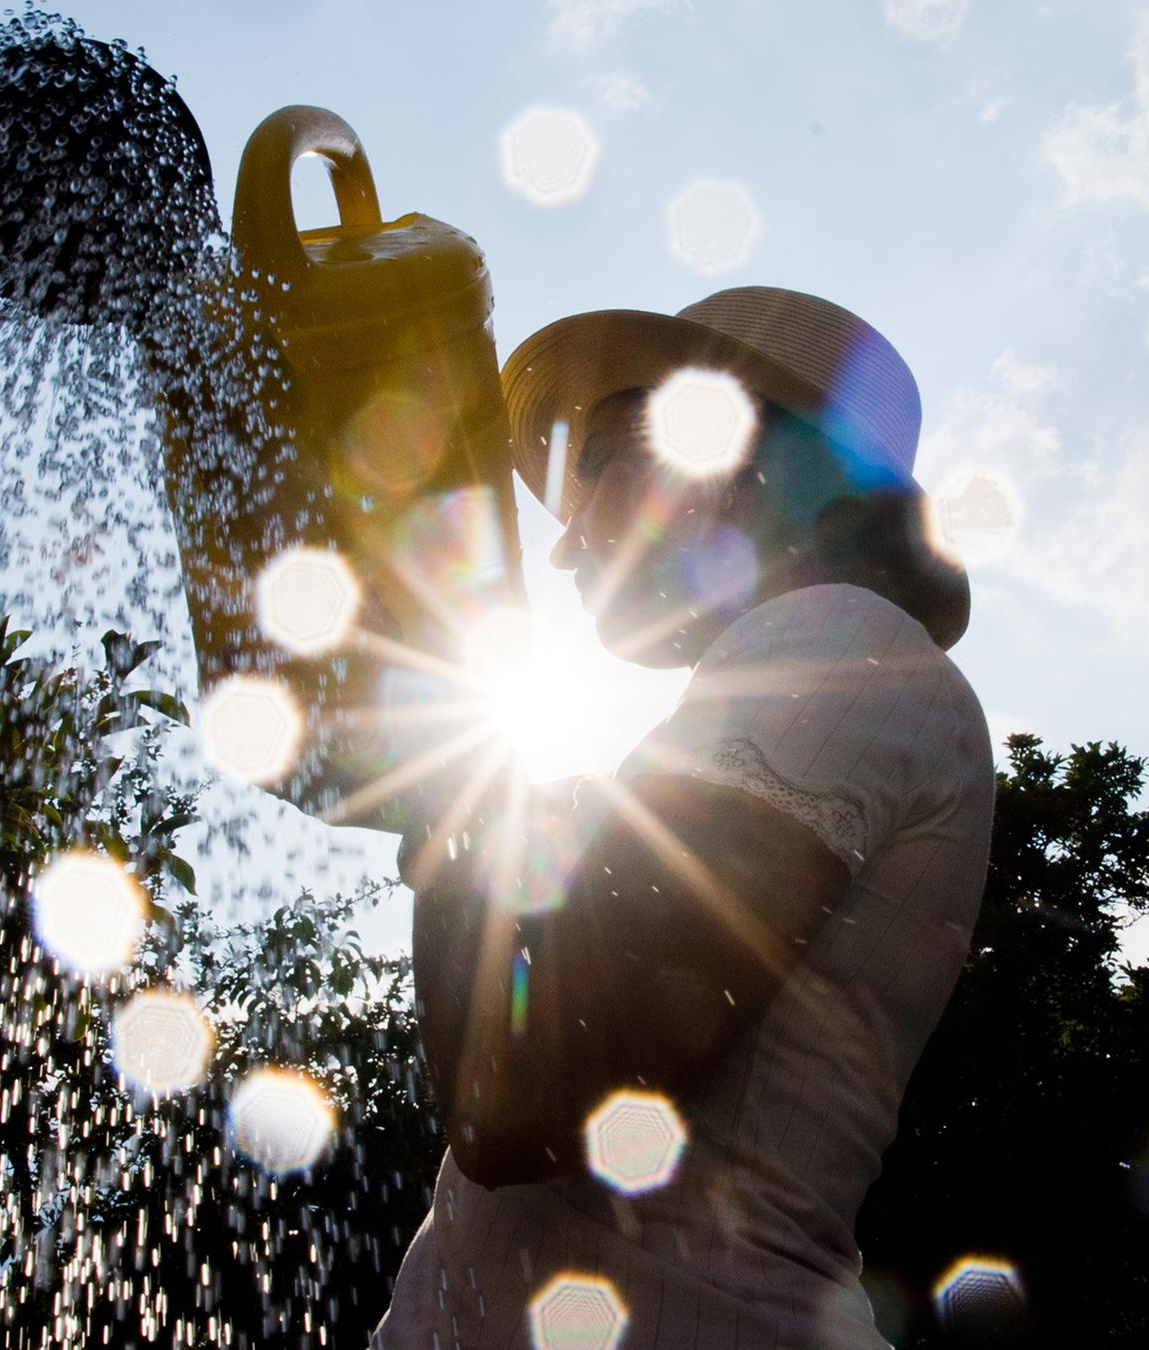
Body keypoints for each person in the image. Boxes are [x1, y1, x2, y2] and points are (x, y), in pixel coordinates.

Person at [374, 287, 995, 1348]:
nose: (566, 542)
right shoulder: (798, 680)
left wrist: (455, 800)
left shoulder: (837, 648)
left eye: (603, 459)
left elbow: (529, 1095)